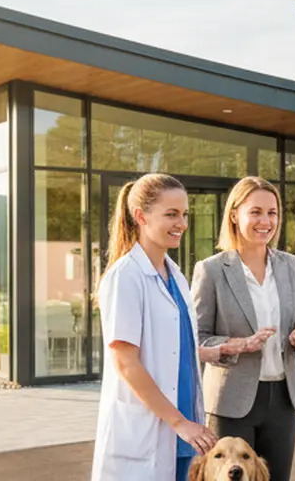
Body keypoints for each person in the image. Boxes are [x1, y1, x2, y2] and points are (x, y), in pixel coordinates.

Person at [91, 173, 264, 481]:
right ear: (140, 216)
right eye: (171, 214)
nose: (182, 223)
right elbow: (125, 361)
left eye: (184, 214)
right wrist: (178, 422)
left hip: (183, 430)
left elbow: (169, 348)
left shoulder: (176, 276)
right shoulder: (126, 276)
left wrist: (213, 352)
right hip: (153, 430)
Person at [191, 176, 295, 481]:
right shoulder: (211, 270)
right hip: (231, 400)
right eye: (256, 212)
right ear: (235, 215)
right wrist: (236, 345)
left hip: (283, 400)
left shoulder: (291, 266)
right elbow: (197, 337)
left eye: (272, 212)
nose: (266, 221)